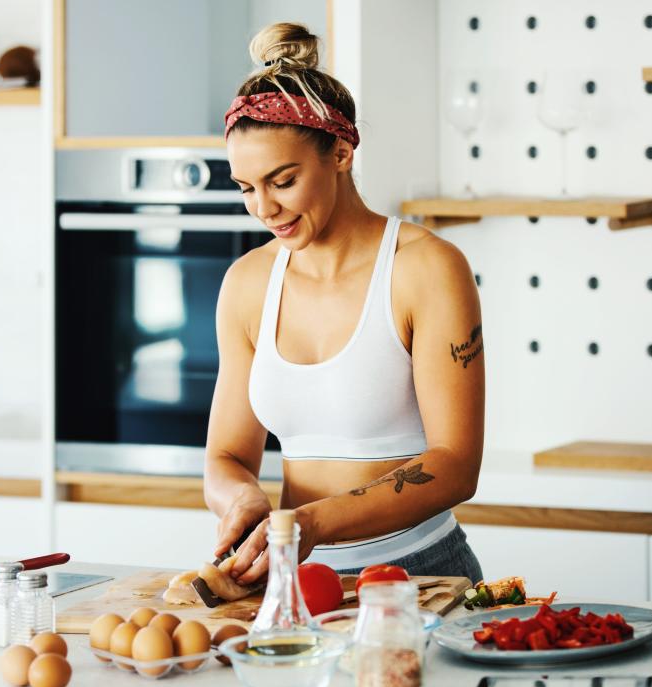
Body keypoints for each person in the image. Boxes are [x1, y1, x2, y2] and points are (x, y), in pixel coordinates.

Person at [203, 23, 484, 587]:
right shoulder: (248, 283)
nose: (263, 208)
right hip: (294, 577)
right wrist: (242, 501)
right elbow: (227, 455)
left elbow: (456, 464)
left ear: (341, 152)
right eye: (246, 187)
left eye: (282, 180)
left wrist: (314, 523)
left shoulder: (426, 267)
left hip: (418, 573)